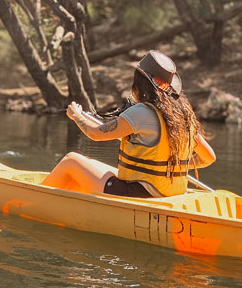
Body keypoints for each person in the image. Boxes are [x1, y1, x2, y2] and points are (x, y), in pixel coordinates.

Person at [41, 50, 215, 198]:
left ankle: (35, 200)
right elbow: (208, 158)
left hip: (141, 193)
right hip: (171, 193)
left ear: (139, 82)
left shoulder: (142, 112)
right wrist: (174, 166)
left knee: (72, 160)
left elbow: (97, 134)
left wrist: (76, 116)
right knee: (88, 162)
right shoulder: (182, 116)